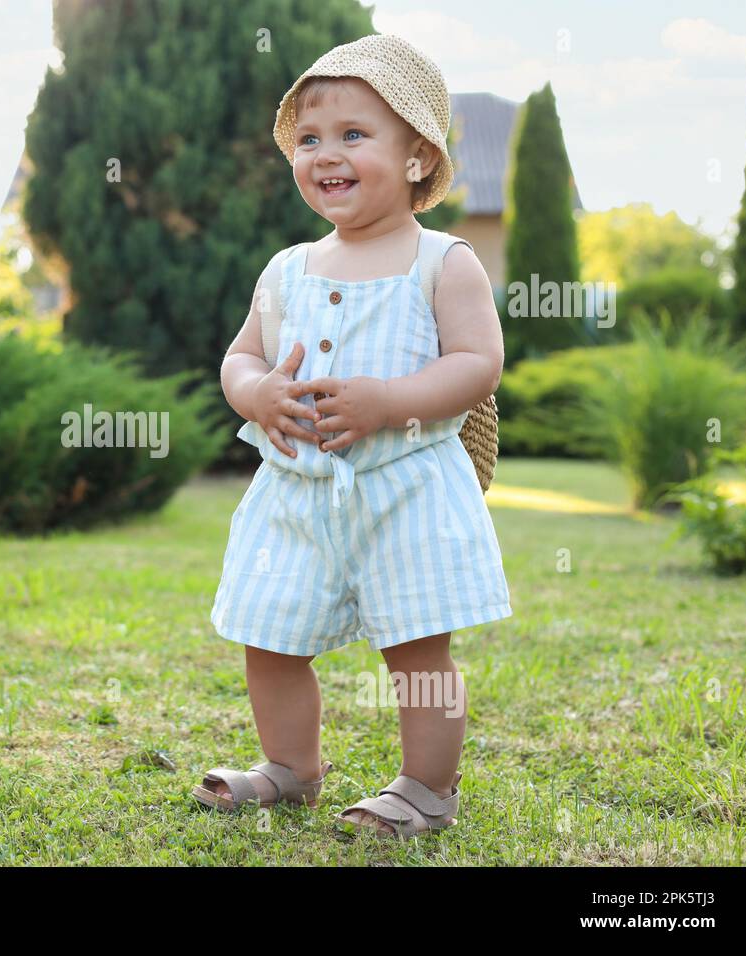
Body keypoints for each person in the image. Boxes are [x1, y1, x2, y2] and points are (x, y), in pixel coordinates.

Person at [193, 34, 513, 839]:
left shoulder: (442, 260)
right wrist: (258, 392)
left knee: (416, 652)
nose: (324, 154)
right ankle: (290, 768)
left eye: (352, 135)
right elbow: (242, 356)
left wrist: (389, 400)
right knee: (268, 637)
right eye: (309, 139)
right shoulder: (289, 269)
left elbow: (479, 363)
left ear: (417, 157)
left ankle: (425, 788)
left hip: (404, 490)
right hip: (295, 498)